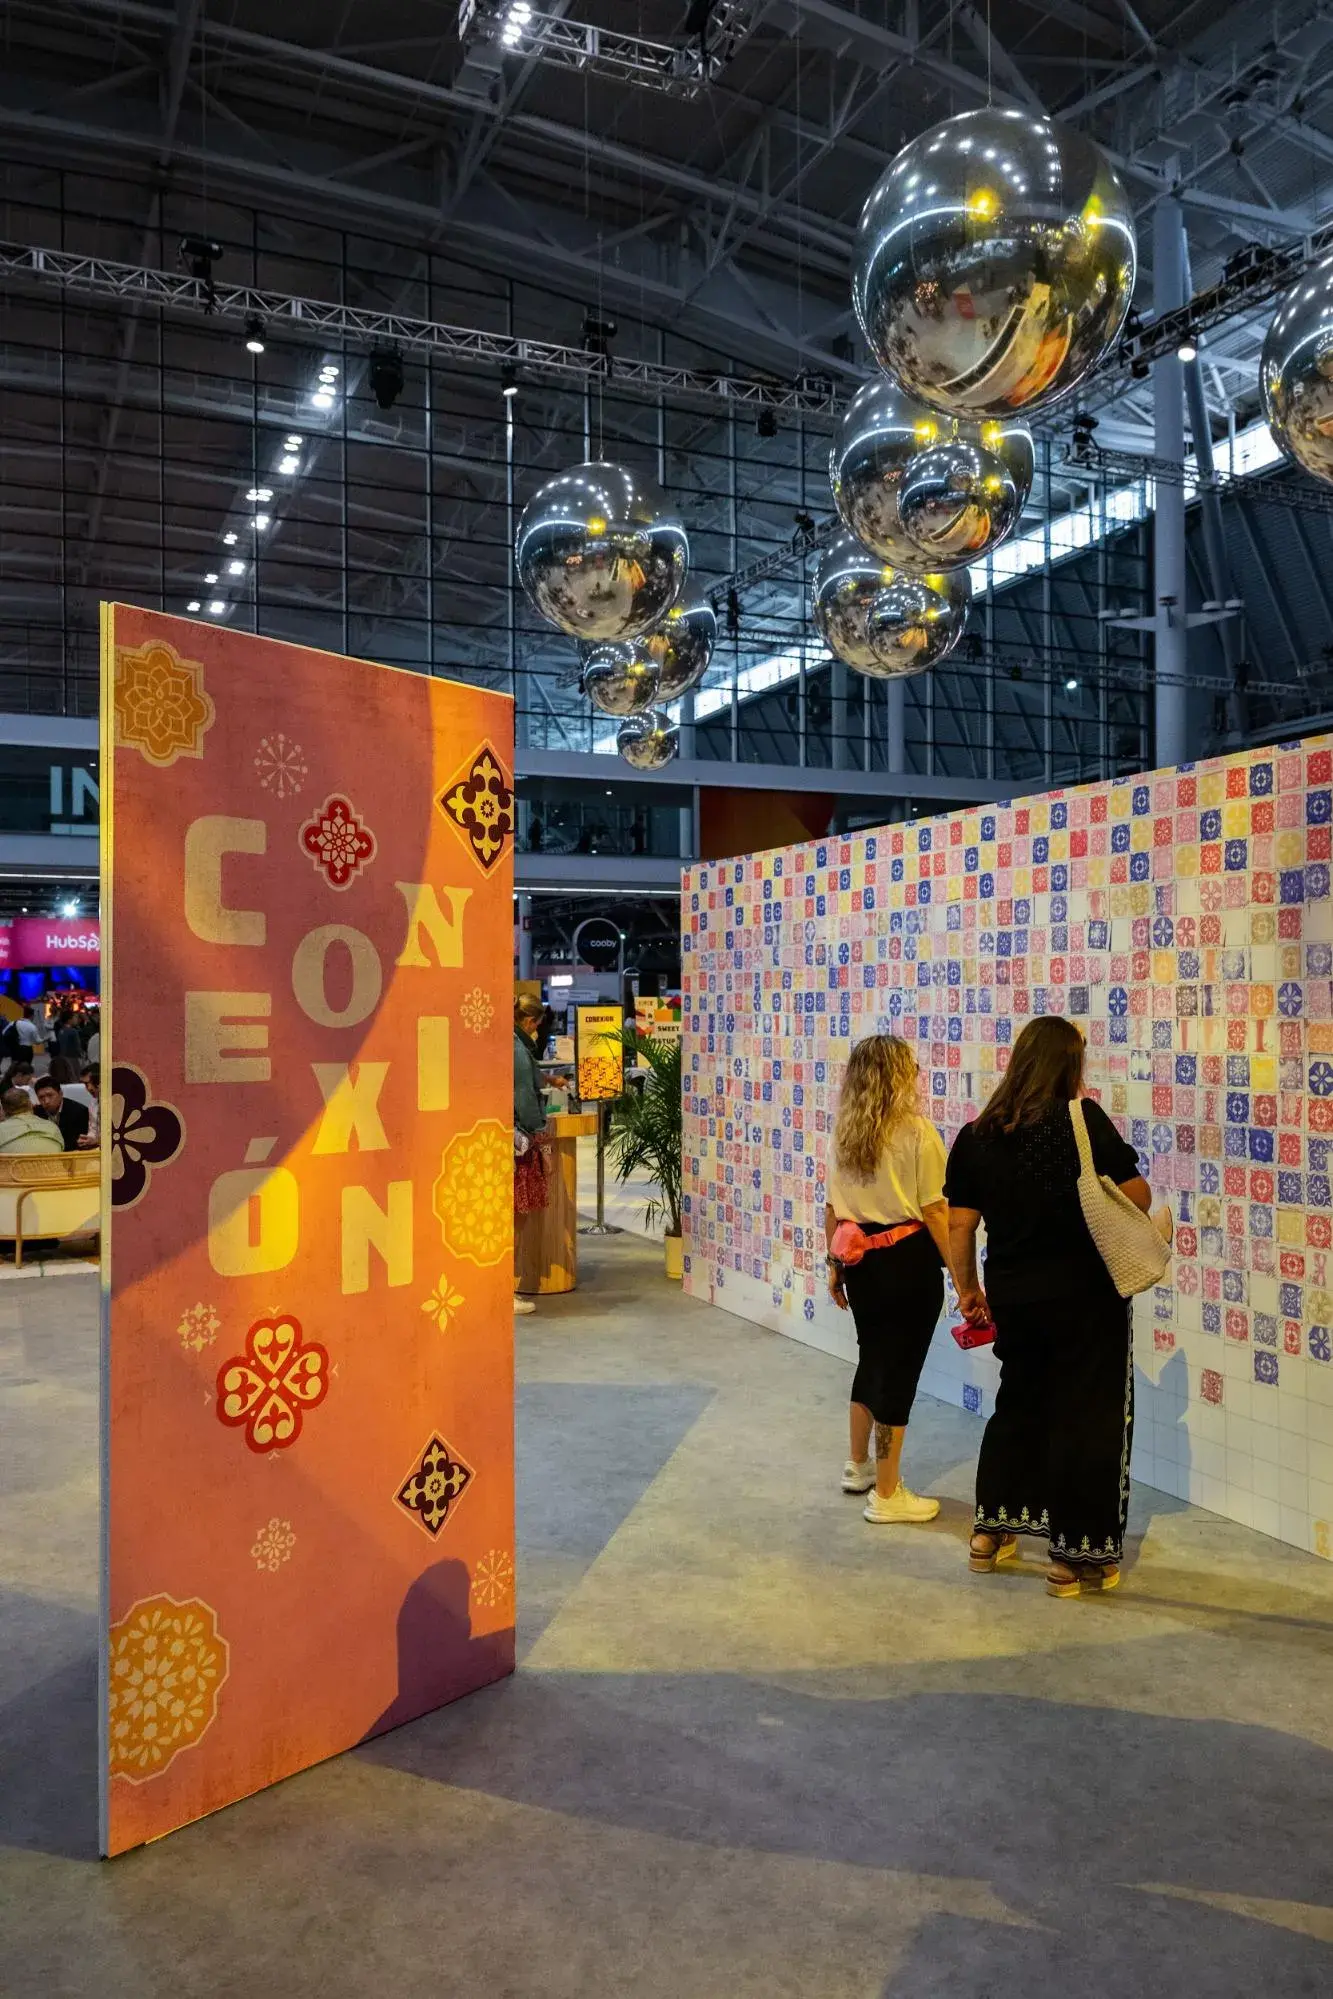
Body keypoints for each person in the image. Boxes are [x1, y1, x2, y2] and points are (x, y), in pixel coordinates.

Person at [945, 1016, 1153, 1599]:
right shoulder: (1081, 1121)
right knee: (1088, 1417)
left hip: (1014, 1296)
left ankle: (989, 1535)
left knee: (1020, 1406)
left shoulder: (976, 1135)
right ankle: (1073, 1562)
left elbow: (961, 1224)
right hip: (1086, 1298)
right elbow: (1137, 1194)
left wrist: (968, 1290)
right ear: (1069, 1064)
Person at [824, 1034, 953, 1526]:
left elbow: (833, 1211)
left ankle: (857, 1466)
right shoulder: (918, 1134)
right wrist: (966, 1280)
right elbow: (936, 1212)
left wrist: (834, 1267)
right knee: (897, 1374)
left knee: (872, 1358)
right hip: (908, 1262)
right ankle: (887, 1491)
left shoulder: (843, 1135)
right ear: (897, 1077)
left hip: (860, 1264)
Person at [513, 994, 549, 1317]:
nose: (538, 1029)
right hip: (518, 1142)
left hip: (511, 1136)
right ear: (529, 1022)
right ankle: (507, 1289)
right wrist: (538, 1126)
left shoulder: (515, 1046)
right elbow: (524, 1097)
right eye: (537, 1023)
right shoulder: (520, 1053)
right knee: (515, 1218)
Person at [0, 1087, 63, 1155]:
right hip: (52, 1165)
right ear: (30, 1104)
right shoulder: (52, 1126)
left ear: (3, 1110)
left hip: (12, 1165)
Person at [34, 1075, 90, 1152]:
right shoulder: (35, 1113)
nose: (46, 1101)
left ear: (60, 1094)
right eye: (41, 1097)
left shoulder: (79, 1111)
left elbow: (79, 1142)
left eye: (50, 1095)